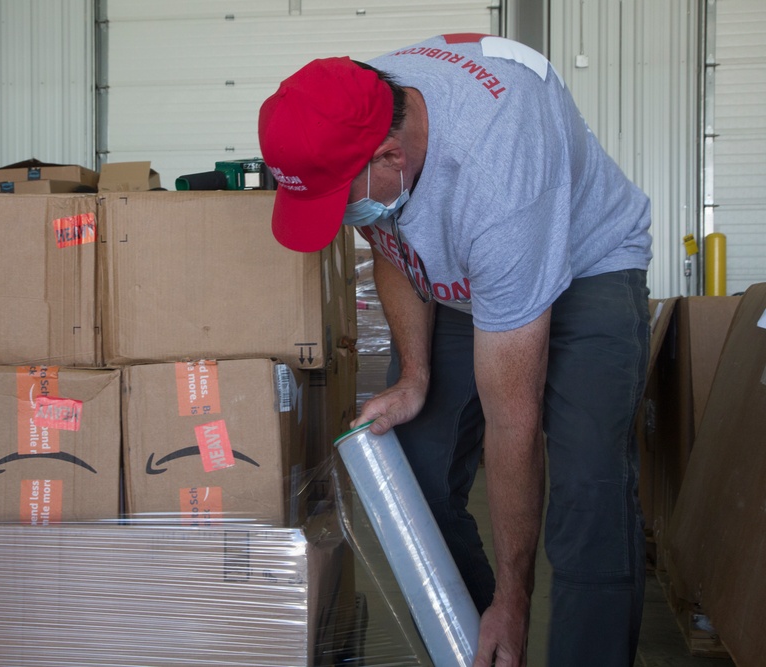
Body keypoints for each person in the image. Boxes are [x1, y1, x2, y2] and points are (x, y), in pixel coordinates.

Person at [258, 34, 652, 667]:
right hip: (474, 270)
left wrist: (516, 597)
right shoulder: (360, 106)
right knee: (414, 470)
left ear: (391, 156)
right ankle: (477, 645)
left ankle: (540, 633)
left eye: (341, 199)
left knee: (589, 496)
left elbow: (512, 421)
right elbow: (389, 240)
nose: (347, 217)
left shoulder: (499, 178)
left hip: (587, 264)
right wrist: (415, 376)